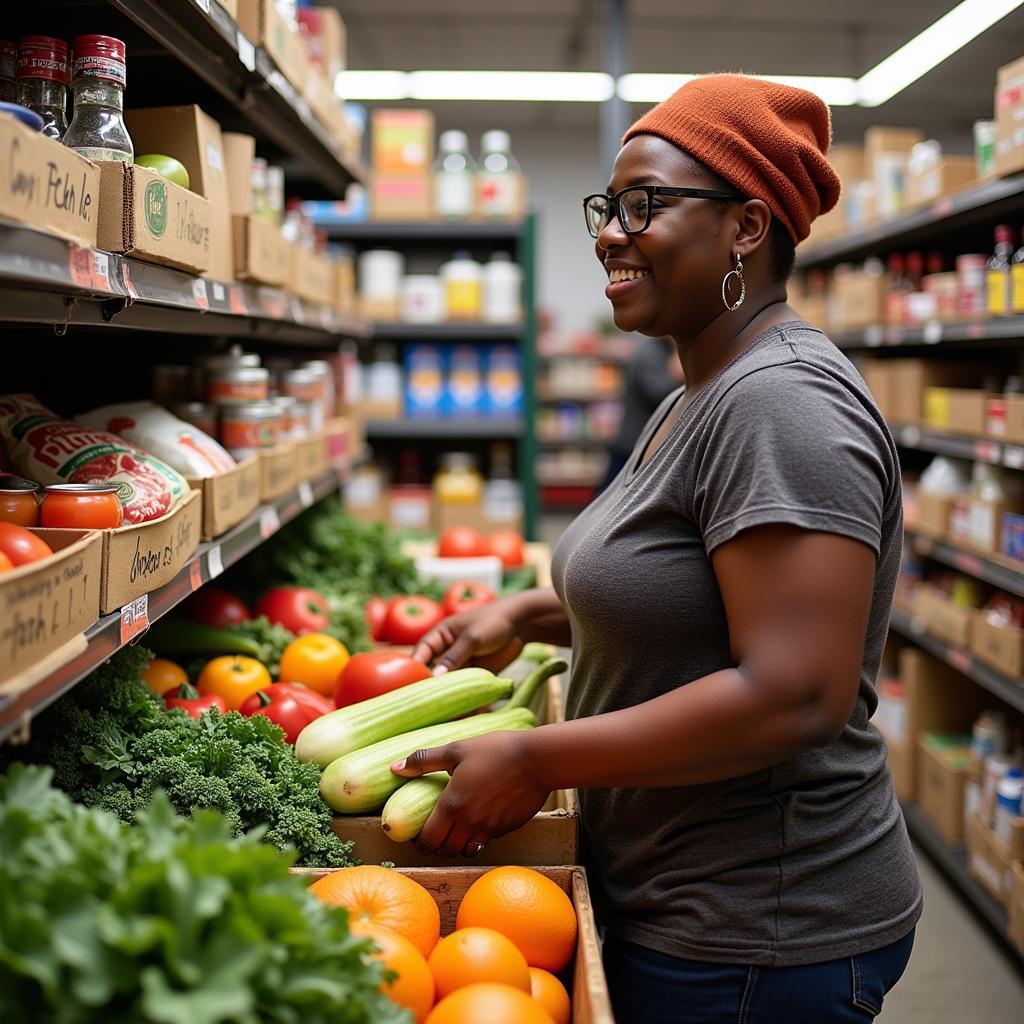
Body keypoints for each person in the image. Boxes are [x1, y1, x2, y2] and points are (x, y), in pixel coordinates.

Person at [396, 74, 921, 1022]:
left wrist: (535, 759)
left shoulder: (781, 402)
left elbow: (796, 692)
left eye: (646, 204)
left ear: (747, 227)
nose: (609, 230)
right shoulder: (698, 391)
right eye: (610, 205)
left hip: (757, 933)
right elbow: (700, 589)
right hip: (684, 898)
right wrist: (534, 613)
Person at [600, 334, 683, 488]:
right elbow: (657, 394)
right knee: (614, 495)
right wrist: (678, 375)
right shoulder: (649, 353)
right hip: (634, 443)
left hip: (643, 442)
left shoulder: (664, 350)